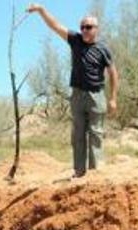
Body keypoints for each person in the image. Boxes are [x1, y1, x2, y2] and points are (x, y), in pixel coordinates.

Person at [27, 3, 120, 178]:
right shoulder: (75, 40)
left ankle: (95, 172)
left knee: (96, 133)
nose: (85, 30)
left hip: (96, 95)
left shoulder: (103, 49)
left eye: (89, 27)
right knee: (78, 133)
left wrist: (113, 98)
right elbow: (55, 26)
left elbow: (113, 73)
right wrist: (41, 10)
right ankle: (79, 171)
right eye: (82, 27)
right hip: (77, 94)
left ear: (96, 29)